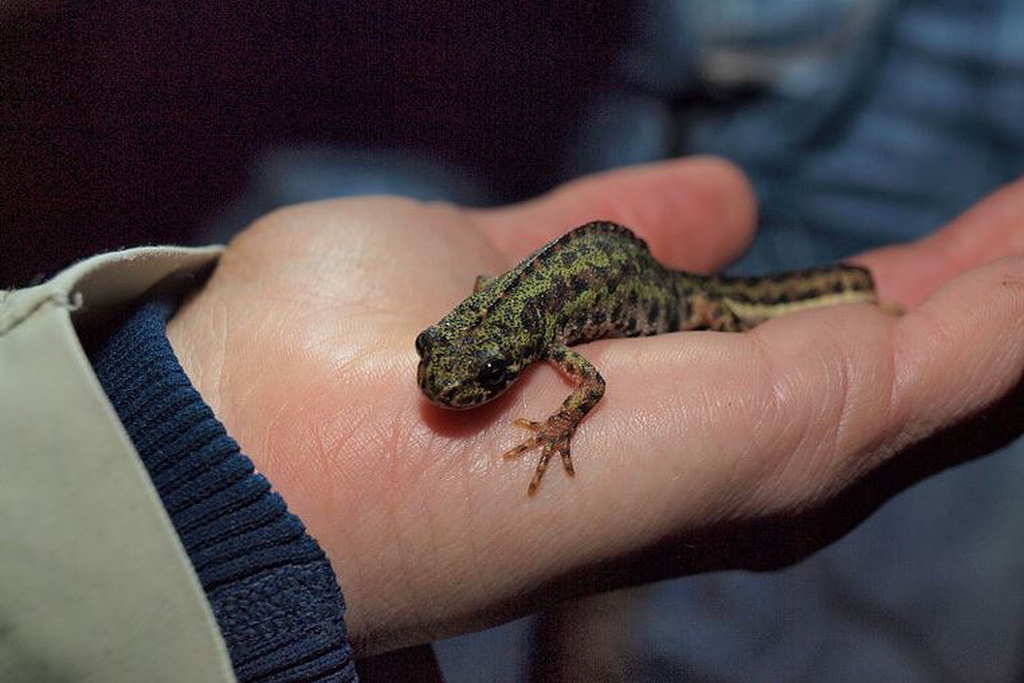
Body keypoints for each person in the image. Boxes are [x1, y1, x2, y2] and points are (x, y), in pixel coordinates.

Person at [4, 156, 1024, 682]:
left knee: (749, 304)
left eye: (480, 376)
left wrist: (558, 428)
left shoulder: (549, 342)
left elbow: (591, 387)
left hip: (666, 290)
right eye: (443, 364)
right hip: (595, 272)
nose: (450, 389)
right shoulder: (488, 326)